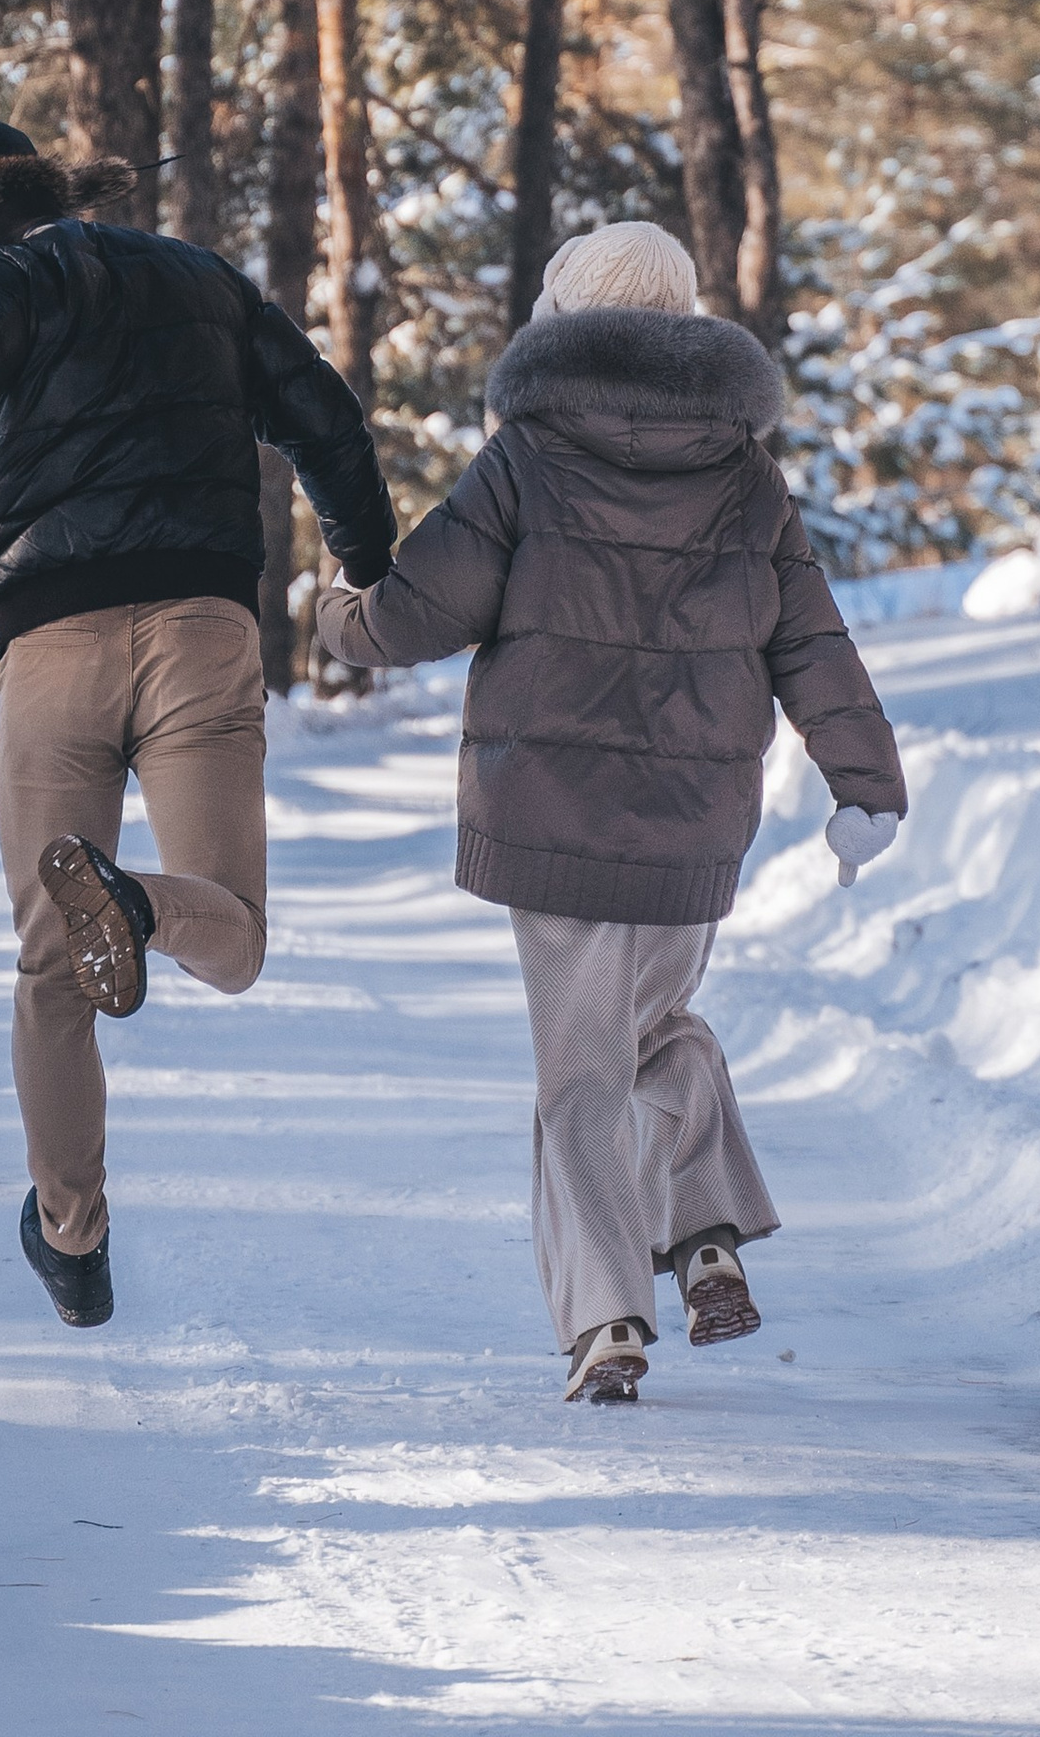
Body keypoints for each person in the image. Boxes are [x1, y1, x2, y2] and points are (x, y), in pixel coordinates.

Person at [0, 118, 395, 1331]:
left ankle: (74, 1238)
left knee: (51, 962)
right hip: (204, 635)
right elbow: (325, 418)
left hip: (54, 648)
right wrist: (365, 569)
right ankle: (141, 904)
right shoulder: (200, 279)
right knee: (237, 938)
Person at [314, 218, 905, 1408]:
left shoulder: (529, 454)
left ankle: (603, 1320)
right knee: (658, 1027)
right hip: (693, 817)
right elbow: (808, 634)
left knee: (582, 1073)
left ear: (567, 317)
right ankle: (706, 1234)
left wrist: (336, 615)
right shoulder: (744, 471)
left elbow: (419, 610)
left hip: (551, 814)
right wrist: (864, 786)